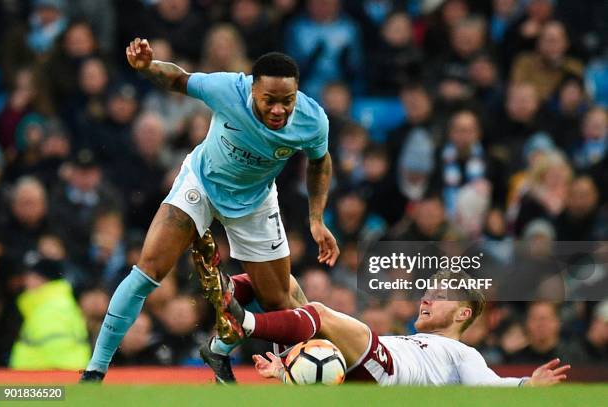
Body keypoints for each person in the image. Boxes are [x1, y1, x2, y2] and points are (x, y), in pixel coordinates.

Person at [80, 38, 339, 382]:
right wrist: (148, 67)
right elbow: (178, 78)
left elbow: (320, 163)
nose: (279, 110)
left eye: (287, 101)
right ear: (252, 90)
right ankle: (95, 370)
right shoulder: (227, 88)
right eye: (269, 100)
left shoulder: (312, 120)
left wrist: (317, 219)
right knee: (149, 270)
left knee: (278, 301)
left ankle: (228, 354)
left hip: (255, 201)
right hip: (200, 185)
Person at [208, 269, 570, 386]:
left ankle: (243, 324)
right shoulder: (413, 338)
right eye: (427, 293)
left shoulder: (462, 352)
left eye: (439, 296)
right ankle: (224, 292)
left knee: (318, 310)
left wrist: (525, 385)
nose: (425, 299)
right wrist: (286, 369)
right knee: (282, 282)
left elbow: (486, 387)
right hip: (365, 367)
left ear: (463, 315)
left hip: (387, 374)